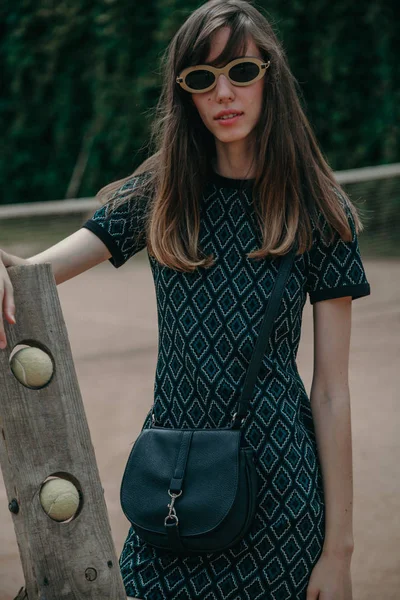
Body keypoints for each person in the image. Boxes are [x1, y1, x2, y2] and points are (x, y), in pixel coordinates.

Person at [0, 0, 371, 598]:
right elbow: (36, 273)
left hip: (281, 504)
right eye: (202, 78)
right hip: (171, 487)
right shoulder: (160, 194)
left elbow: (331, 392)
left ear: (269, 77)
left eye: (241, 72)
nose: (224, 92)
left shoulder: (321, 213)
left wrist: (339, 553)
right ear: (186, 95)